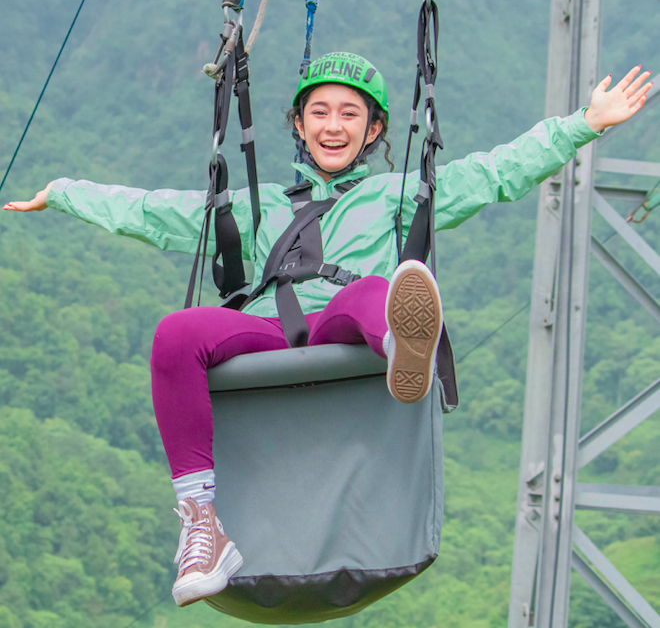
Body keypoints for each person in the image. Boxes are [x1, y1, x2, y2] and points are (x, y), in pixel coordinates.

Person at [3, 54, 653, 607]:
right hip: (269, 331)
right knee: (177, 333)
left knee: (375, 290)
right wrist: (63, 191)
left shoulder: (402, 196)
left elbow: (496, 172)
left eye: (350, 113)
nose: (333, 126)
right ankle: (202, 522)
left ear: (374, 129)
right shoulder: (260, 209)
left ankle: (402, 343)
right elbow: (151, 211)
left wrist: (583, 125)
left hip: (349, 328)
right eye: (320, 112)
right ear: (298, 124)